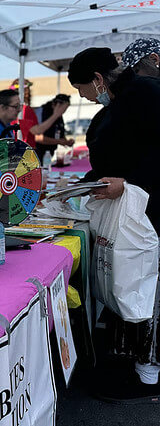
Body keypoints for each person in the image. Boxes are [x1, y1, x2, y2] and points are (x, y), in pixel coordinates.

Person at [68, 46, 160, 402]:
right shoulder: (122, 102)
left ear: (98, 79)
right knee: (127, 281)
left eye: (84, 90)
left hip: (149, 212)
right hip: (131, 210)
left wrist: (132, 182)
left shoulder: (147, 94)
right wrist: (85, 182)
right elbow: (117, 155)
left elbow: (150, 154)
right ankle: (130, 362)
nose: (86, 98)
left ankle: (149, 373)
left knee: (148, 287)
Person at [8, 78, 69, 149]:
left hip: (16, 149)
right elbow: (36, 131)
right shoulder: (24, 109)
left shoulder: (12, 109)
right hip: (25, 151)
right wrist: (56, 114)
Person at [35, 94, 75, 164]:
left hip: (49, 154)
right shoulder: (41, 113)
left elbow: (60, 133)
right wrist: (59, 141)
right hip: (36, 154)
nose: (63, 111)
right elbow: (37, 138)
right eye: (62, 109)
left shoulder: (59, 116)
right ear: (54, 104)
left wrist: (67, 142)